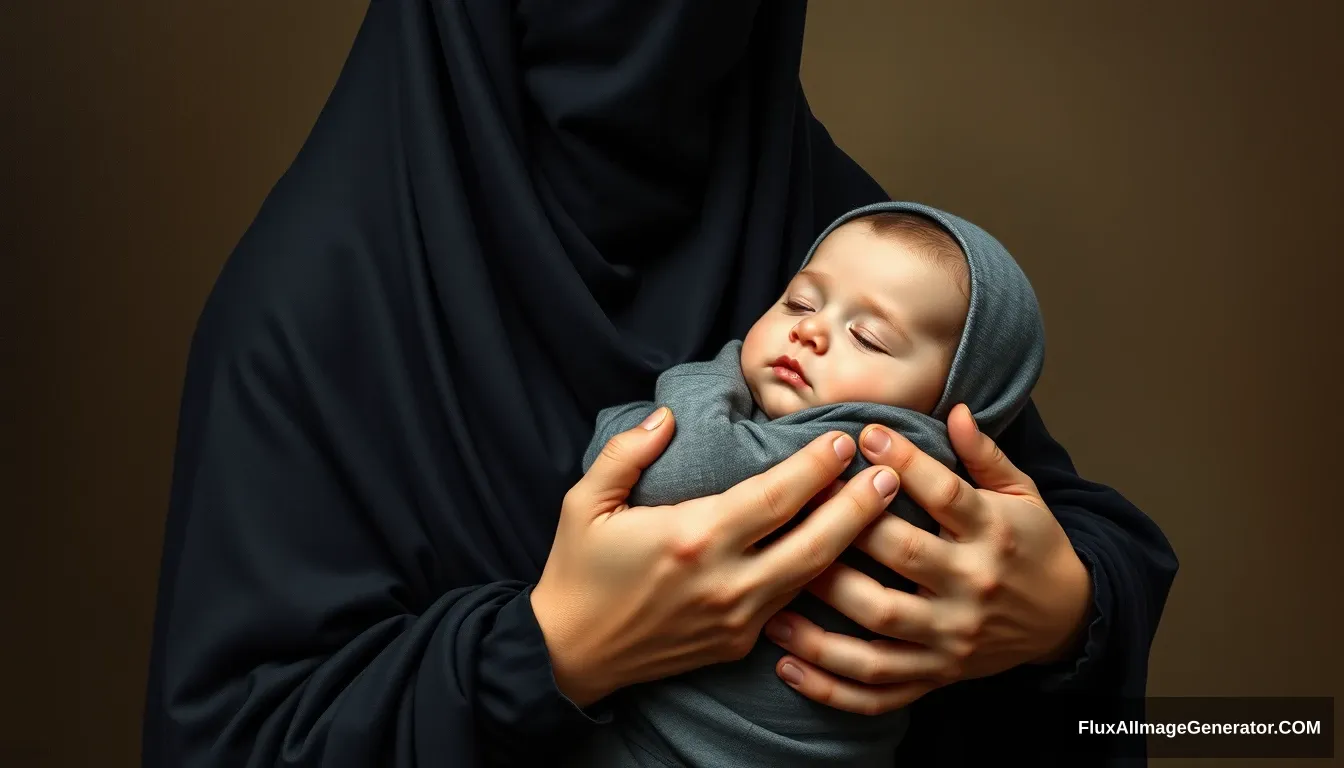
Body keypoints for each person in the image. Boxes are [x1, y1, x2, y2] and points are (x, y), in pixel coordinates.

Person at [141, 2, 1178, 767]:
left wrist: (1065, 614)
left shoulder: (822, 220)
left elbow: (1054, 517)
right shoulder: (312, 308)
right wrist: (545, 652)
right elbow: (233, 738)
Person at [563, 201, 1046, 767]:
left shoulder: (881, 458)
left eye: (867, 337)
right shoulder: (789, 431)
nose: (810, 330)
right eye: (800, 301)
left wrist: (718, 370)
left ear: (956, 397)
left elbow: (660, 468)